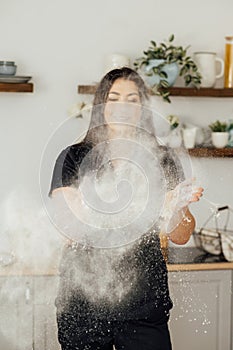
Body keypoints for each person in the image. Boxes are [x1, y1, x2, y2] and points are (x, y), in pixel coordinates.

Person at [49, 67, 203, 350]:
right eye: (115, 97)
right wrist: (84, 206)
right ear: (102, 105)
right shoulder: (73, 157)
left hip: (144, 306)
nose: (123, 106)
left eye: (133, 99)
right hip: (83, 306)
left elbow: (180, 236)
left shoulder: (164, 160)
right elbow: (67, 229)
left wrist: (176, 208)